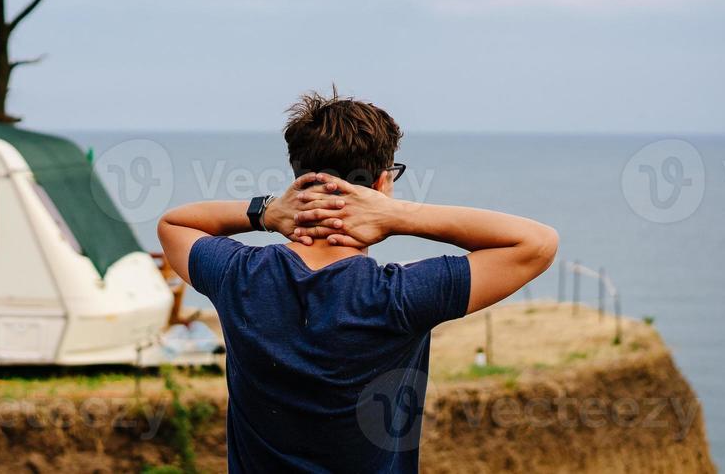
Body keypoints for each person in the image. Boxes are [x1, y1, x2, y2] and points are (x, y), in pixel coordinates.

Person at [157, 89, 558, 473]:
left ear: (299, 180)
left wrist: (266, 213)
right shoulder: (399, 298)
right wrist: (398, 216)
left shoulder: (240, 276)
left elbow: (174, 224)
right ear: (383, 183)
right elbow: (537, 243)